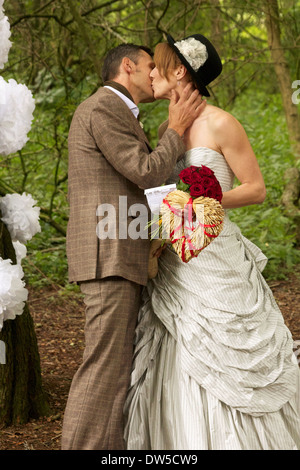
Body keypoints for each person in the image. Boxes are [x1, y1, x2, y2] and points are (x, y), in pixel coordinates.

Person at [124, 34, 300, 450]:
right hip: (175, 256)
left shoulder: (221, 122)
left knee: (227, 349)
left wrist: (208, 199)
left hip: (215, 255)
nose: (150, 71)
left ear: (180, 70)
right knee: (175, 345)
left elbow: (256, 189)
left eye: (158, 64)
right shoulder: (168, 126)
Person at [61, 43, 205, 450]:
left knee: (115, 366)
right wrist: (176, 128)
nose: (155, 71)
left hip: (118, 252)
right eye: (149, 65)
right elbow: (145, 172)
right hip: (108, 255)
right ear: (128, 66)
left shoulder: (118, 112)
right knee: (104, 368)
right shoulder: (104, 107)